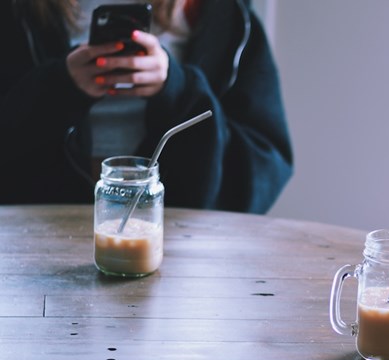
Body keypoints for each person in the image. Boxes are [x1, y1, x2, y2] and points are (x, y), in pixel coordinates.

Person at [1, 0, 293, 214]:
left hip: (175, 233)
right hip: (39, 225)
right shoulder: (18, 13)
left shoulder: (224, 17)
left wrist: (176, 86)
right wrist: (60, 85)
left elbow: (263, 163)